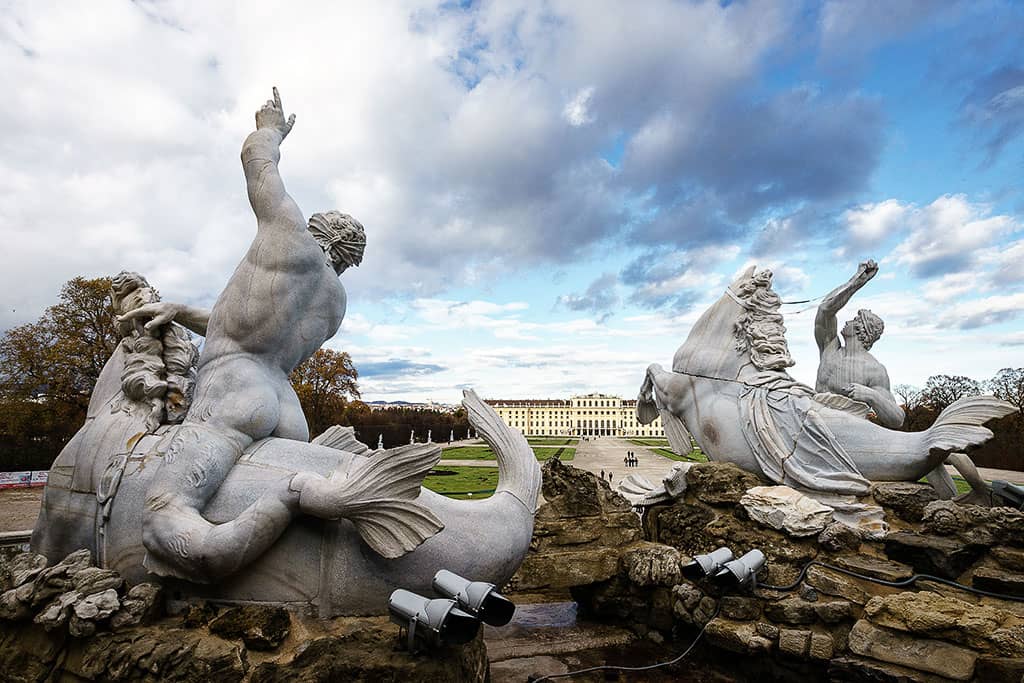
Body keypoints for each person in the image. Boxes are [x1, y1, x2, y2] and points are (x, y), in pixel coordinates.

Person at [120, 89, 400, 580]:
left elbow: (256, 162)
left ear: (321, 233)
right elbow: (250, 326)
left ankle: (274, 511)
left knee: (166, 516)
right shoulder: (336, 303)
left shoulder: (289, 235)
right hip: (285, 406)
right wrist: (182, 310)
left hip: (234, 389)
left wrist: (271, 128)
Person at [814, 260, 905, 429]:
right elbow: (825, 310)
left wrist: (872, 396)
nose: (847, 321)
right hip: (815, 425)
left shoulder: (874, 369)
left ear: (861, 329)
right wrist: (855, 282)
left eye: (854, 319)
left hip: (848, 433)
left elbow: (897, 419)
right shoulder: (830, 348)